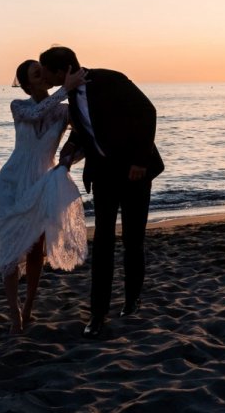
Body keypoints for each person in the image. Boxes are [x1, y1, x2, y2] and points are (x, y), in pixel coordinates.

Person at [39, 46, 164, 338]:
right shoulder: (69, 95)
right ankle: (98, 314)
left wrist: (139, 162)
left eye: (46, 70)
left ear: (61, 70)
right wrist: (65, 160)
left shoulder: (110, 79)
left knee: (134, 239)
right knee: (104, 243)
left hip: (136, 172)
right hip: (104, 176)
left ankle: (133, 299)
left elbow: (148, 112)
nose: (43, 76)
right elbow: (84, 130)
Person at [0, 59, 88, 334]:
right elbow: (36, 114)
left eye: (43, 71)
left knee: (36, 249)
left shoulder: (64, 112)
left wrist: (67, 163)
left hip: (43, 182)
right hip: (13, 181)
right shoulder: (18, 107)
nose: (43, 75)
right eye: (36, 74)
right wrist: (64, 89)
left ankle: (29, 306)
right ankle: (14, 315)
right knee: (9, 248)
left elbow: (81, 138)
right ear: (26, 84)